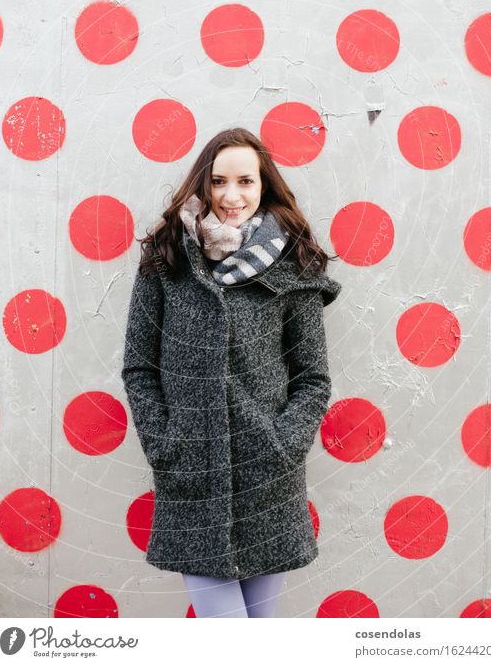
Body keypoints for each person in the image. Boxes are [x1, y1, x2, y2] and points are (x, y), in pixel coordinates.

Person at [121, 127, 342, 618]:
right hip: (191, 473)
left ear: (264, 186)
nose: (232, 195)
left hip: (269, 475)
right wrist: (164, 442)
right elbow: (139, 366)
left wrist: (284, 443)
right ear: (203, 185)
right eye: (219, 182)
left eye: (246, 181)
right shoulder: (166, 257)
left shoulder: (291, 264)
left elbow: (313, 377)